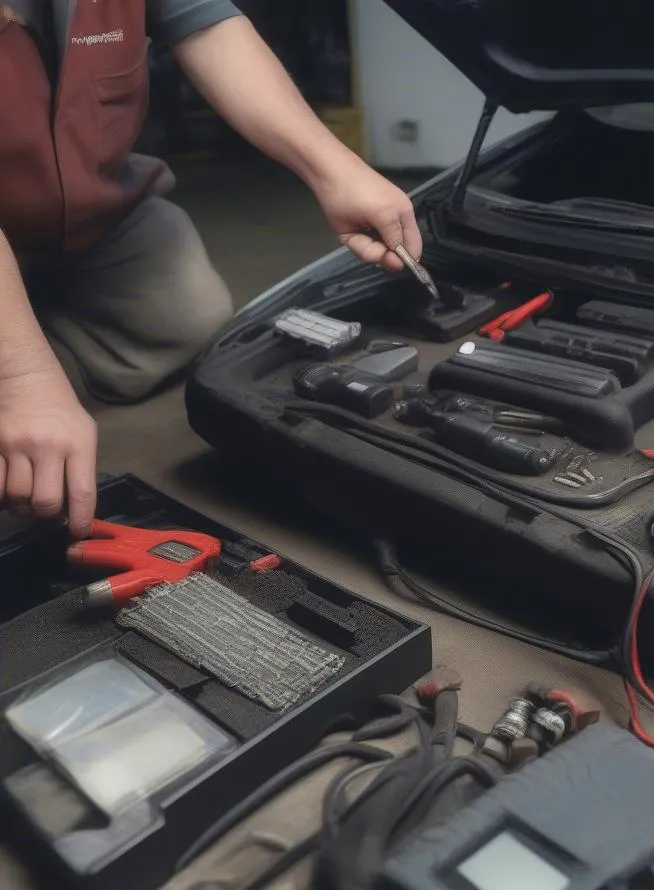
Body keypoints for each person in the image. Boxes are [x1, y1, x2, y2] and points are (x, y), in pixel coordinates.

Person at [0, 1, 423, 538]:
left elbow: (209, 26)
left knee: (186, 316)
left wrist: (334, 168)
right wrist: (21, 378)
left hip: (92, 212)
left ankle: (36, 322)